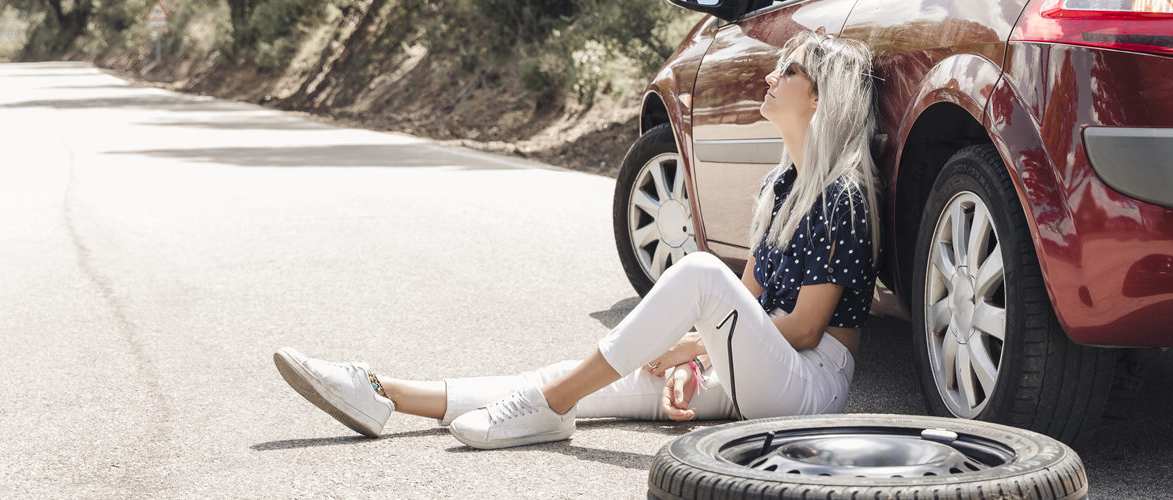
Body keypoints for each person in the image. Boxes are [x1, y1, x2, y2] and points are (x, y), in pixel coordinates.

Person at [272, 30, 882, 450]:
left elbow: (802, 331)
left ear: (822, 97)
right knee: (594, 378)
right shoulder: (782, 188)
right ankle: (385, 393)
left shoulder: (842, 198)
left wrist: (691, 345)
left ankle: (549, 404)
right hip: (764, 368)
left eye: (791, 71)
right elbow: (749, 302)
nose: (771, 76)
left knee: (699, 274)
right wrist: (697, 358)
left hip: (809, 385)